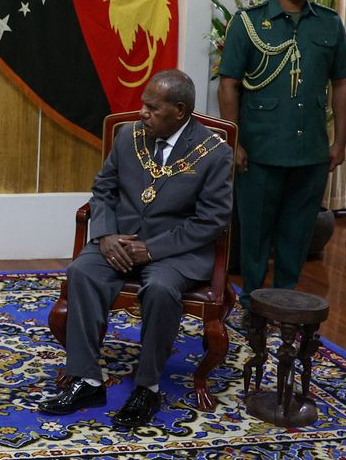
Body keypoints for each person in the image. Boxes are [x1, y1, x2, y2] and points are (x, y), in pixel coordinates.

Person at [38, 70, 233, 427]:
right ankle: (86, 379)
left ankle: (148, 386)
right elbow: (104, 190)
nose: (142, 113)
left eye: (152, 108)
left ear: (179, 110)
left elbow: (212, 221)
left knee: (159, 289)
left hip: (176, 251)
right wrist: (107, 234)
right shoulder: (129, 136)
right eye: (143, 104)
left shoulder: (214, 154)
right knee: (81, 271)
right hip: (121, 241)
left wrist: (152, 250)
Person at [218, 0, 346, 321]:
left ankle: (284, 304)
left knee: (297, 233)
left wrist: (339, 142)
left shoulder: (328, 23)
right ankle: (251, 304)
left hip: (309, 150)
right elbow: (229, 84)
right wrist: (236, 141)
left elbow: (342, 82)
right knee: (256, 233)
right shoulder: (250, 23)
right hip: (260, 149)